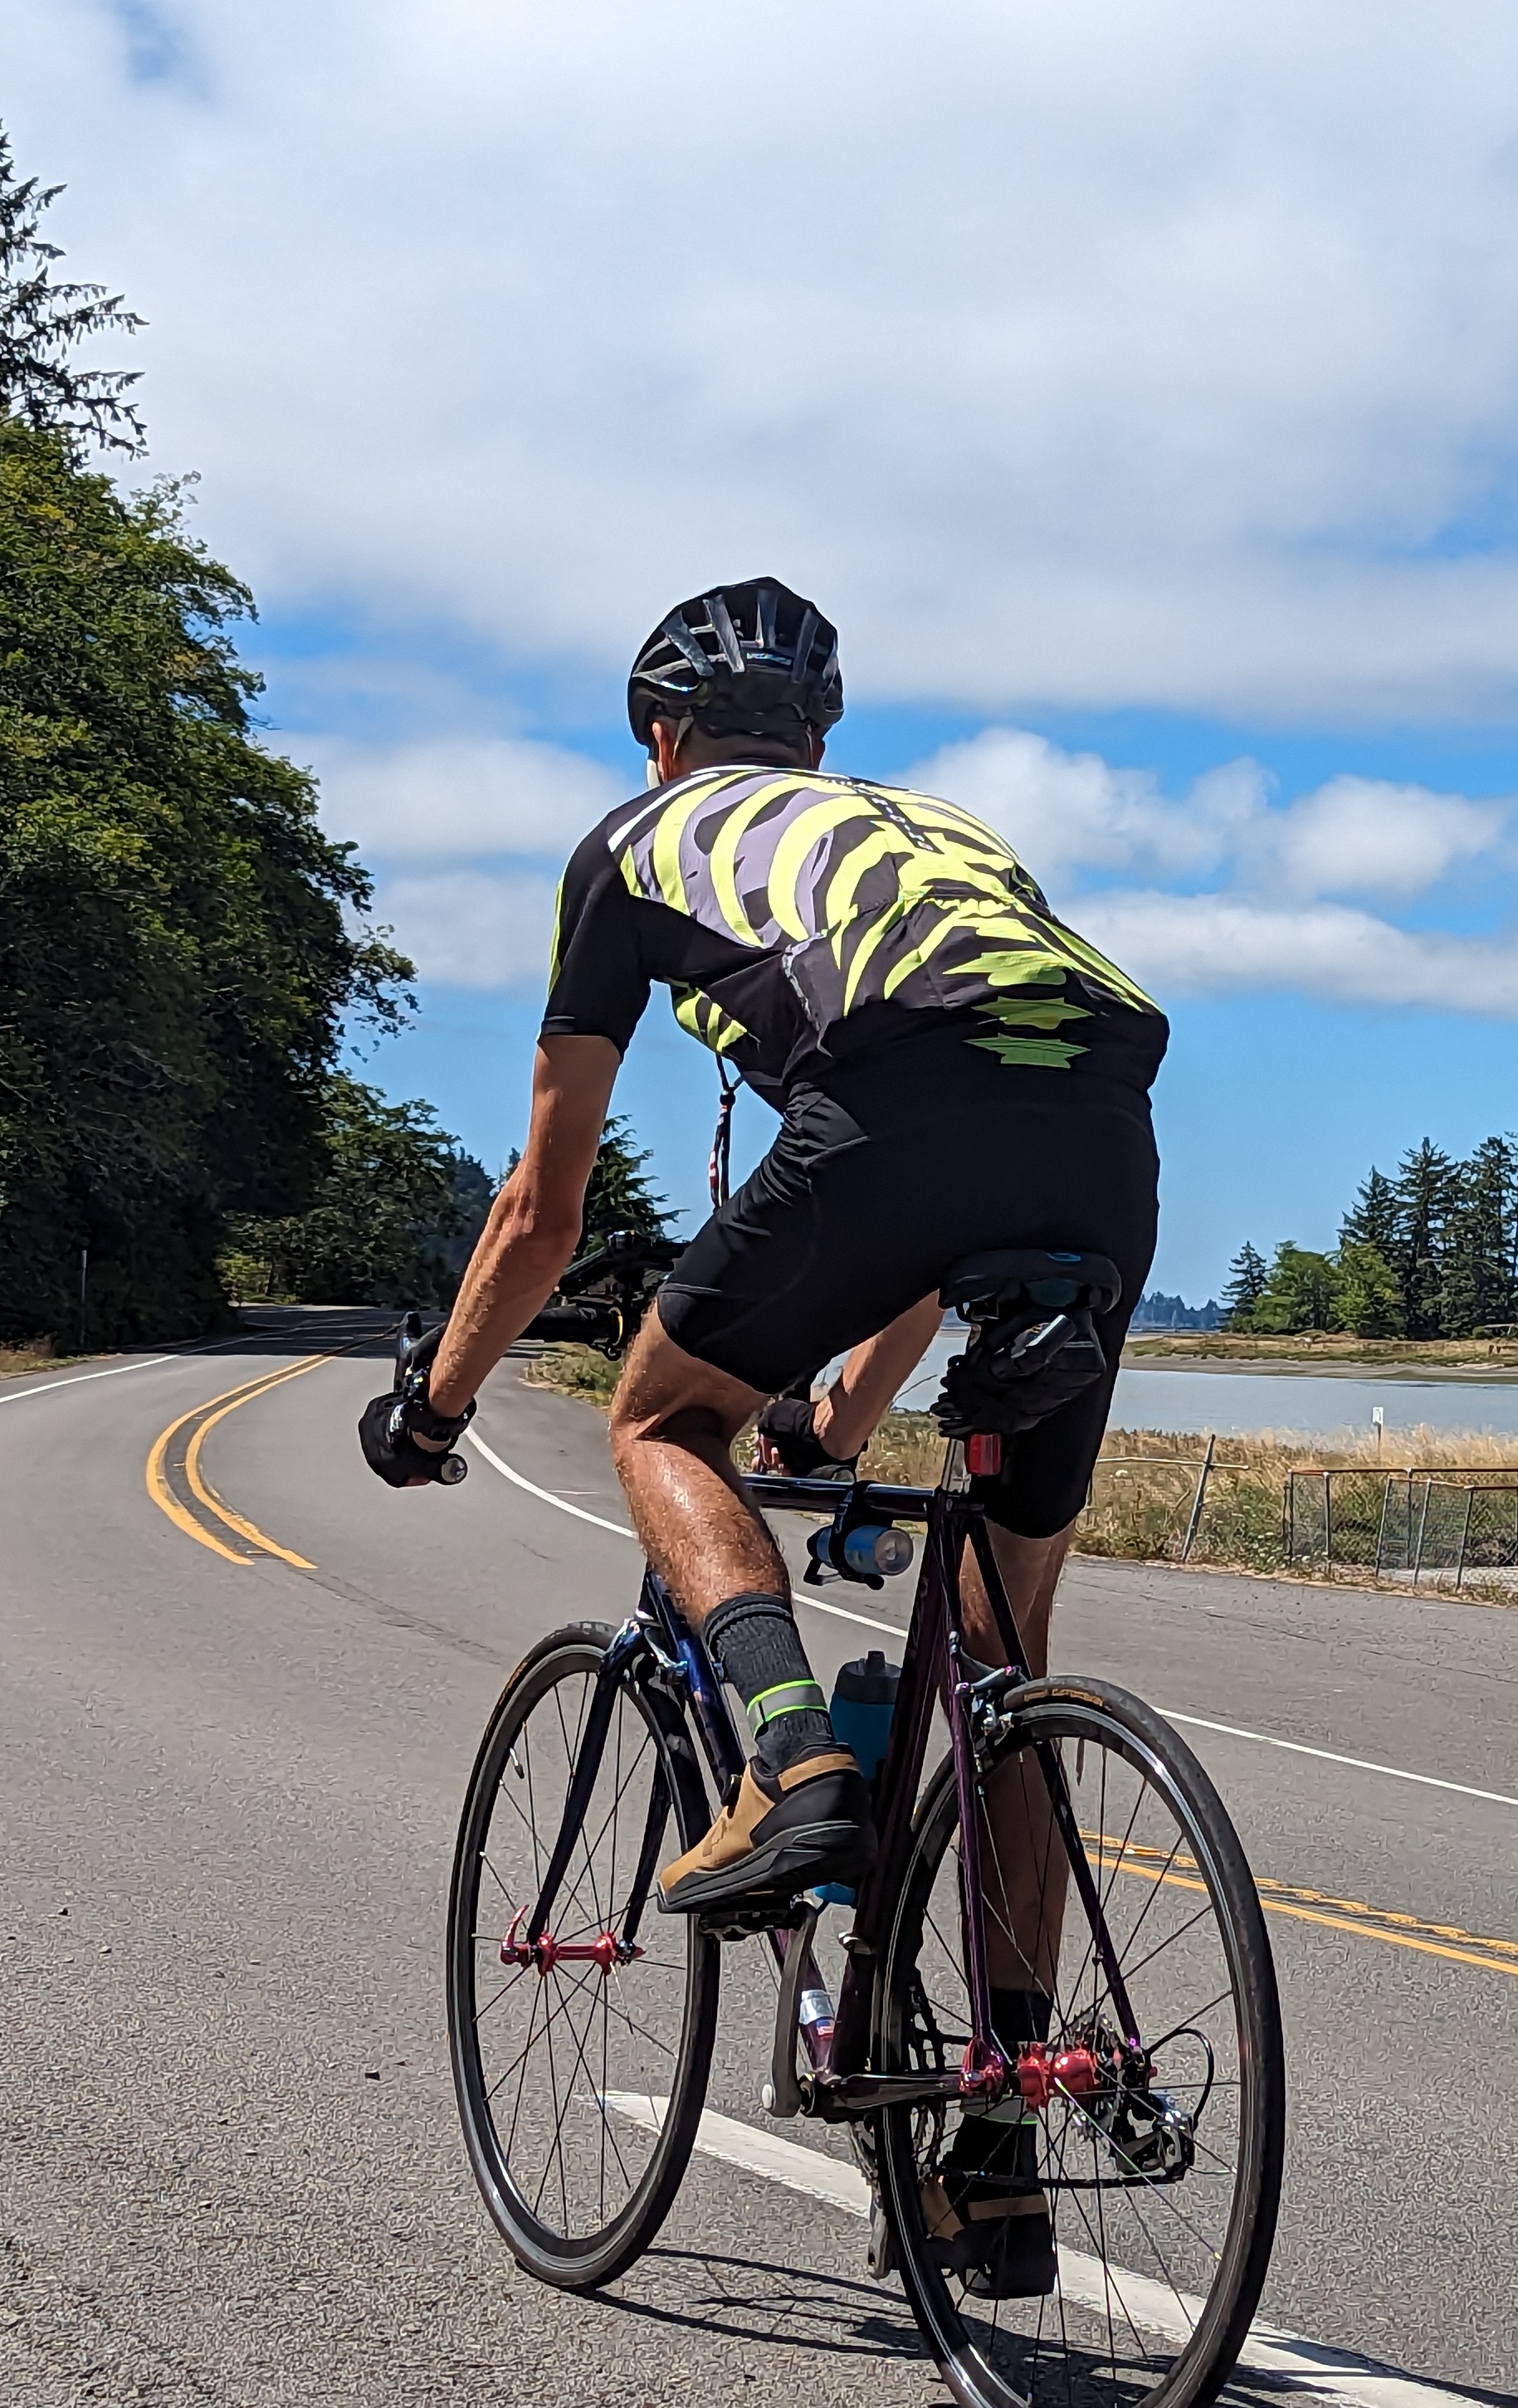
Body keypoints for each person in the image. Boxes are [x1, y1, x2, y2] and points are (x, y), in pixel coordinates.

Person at [360, 578, 1163, 2282]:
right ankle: (1000, 2144)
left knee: (660, 1421)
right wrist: (849, 1405)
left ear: (660, 738)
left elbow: (542, 1208)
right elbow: (978, 1161)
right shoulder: (947, 832)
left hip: (892, 1117)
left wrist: (436, 1405)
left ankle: (793, 1764)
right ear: (823, 740)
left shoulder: (637, 842)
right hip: (1102, 1132)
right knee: (1000, 1652)